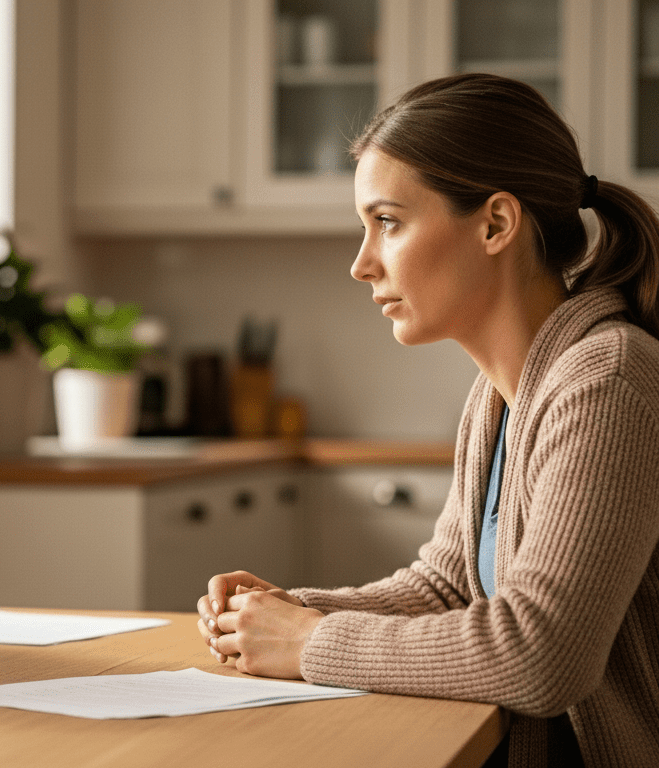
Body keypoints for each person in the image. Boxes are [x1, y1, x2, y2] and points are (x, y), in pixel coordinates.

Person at [198, 73, 659, 767]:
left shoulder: (609, 380)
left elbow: (542, 655)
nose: (361, 264)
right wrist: (286, 610)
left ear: (496, 223)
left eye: (388, 221)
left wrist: (310, 642)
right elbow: (445, 588)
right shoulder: (499, 395)